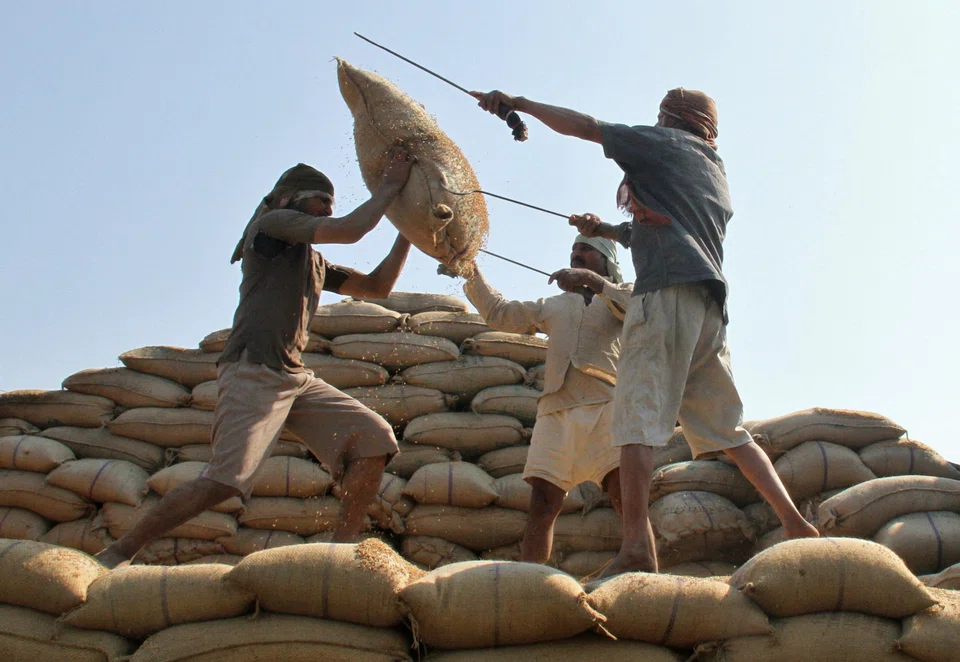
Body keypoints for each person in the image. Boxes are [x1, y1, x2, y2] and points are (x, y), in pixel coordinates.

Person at [471, 88, 819, 577]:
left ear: (671, 119)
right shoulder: (711, 168)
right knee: (729, 430)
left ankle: (636, 548)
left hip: (665, 298)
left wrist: (519, 104)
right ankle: (797, 525)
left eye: (660, 115)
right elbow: (655, 230)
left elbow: (587, 126)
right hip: (707, 306)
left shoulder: (663, 144)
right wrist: (607, 230)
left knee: (634, 423)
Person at [96, 147, 416, 568]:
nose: (323, 211)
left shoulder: (313, 260)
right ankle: (118, 551)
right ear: (287, 200)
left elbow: (376, 287)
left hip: (294, 378)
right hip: (253, 370)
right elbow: (351, 229)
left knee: (375, 440)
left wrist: (410, 230)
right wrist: (392, 186)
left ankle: (337, 558)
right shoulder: (272, 226)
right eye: (317, 203)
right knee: (225, 481)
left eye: (328, 205)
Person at [462, 235, 632, 564]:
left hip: (606, 406)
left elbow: (640, 308)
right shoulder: (554, 304)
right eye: (574, 250)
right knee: (543, 500)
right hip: (556, 409)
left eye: (586, 250)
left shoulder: (621, 295)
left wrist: (591, 281)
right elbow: (500, 314)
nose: (576, 254)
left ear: (606, 261)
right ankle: (531, 581)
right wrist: (469, 269)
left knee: (623, 494)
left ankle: (643, 570)